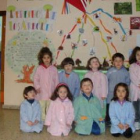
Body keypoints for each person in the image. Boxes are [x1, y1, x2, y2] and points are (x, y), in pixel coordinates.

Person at [33, 47, 59, 122]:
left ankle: (49, 120)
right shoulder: (39, 68)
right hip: (41, 92)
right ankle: (42, 119)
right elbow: (36, 79)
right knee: (41, 106)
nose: (46, 59)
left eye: (48, 57)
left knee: (49, 107)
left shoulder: (54, 69)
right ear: (42, 59)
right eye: (44, 58)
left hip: (51, 92)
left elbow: (56, 80)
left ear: (51, 58)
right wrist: (37, 87)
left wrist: (56, 91)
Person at [106, 53, 130, 124]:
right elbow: (106, 81)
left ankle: (119, 120)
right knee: (110, 105)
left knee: (120, 106)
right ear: (113, 62)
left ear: (123, 62)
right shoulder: (110, 71)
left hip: (121, 93)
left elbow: (128, 83)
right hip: (111, 93)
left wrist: (127, 93)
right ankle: (108, 120)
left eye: (120, 61)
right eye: (116, 61)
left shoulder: (125, 72)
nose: (118, 63)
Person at [129, 46, 140, 130]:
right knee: (135, 106)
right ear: (135, 56)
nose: (139, 56)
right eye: (138, 54)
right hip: (135, 89)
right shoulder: (132, 66)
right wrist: (138, 83)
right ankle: (136, 121)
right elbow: (132, 77)